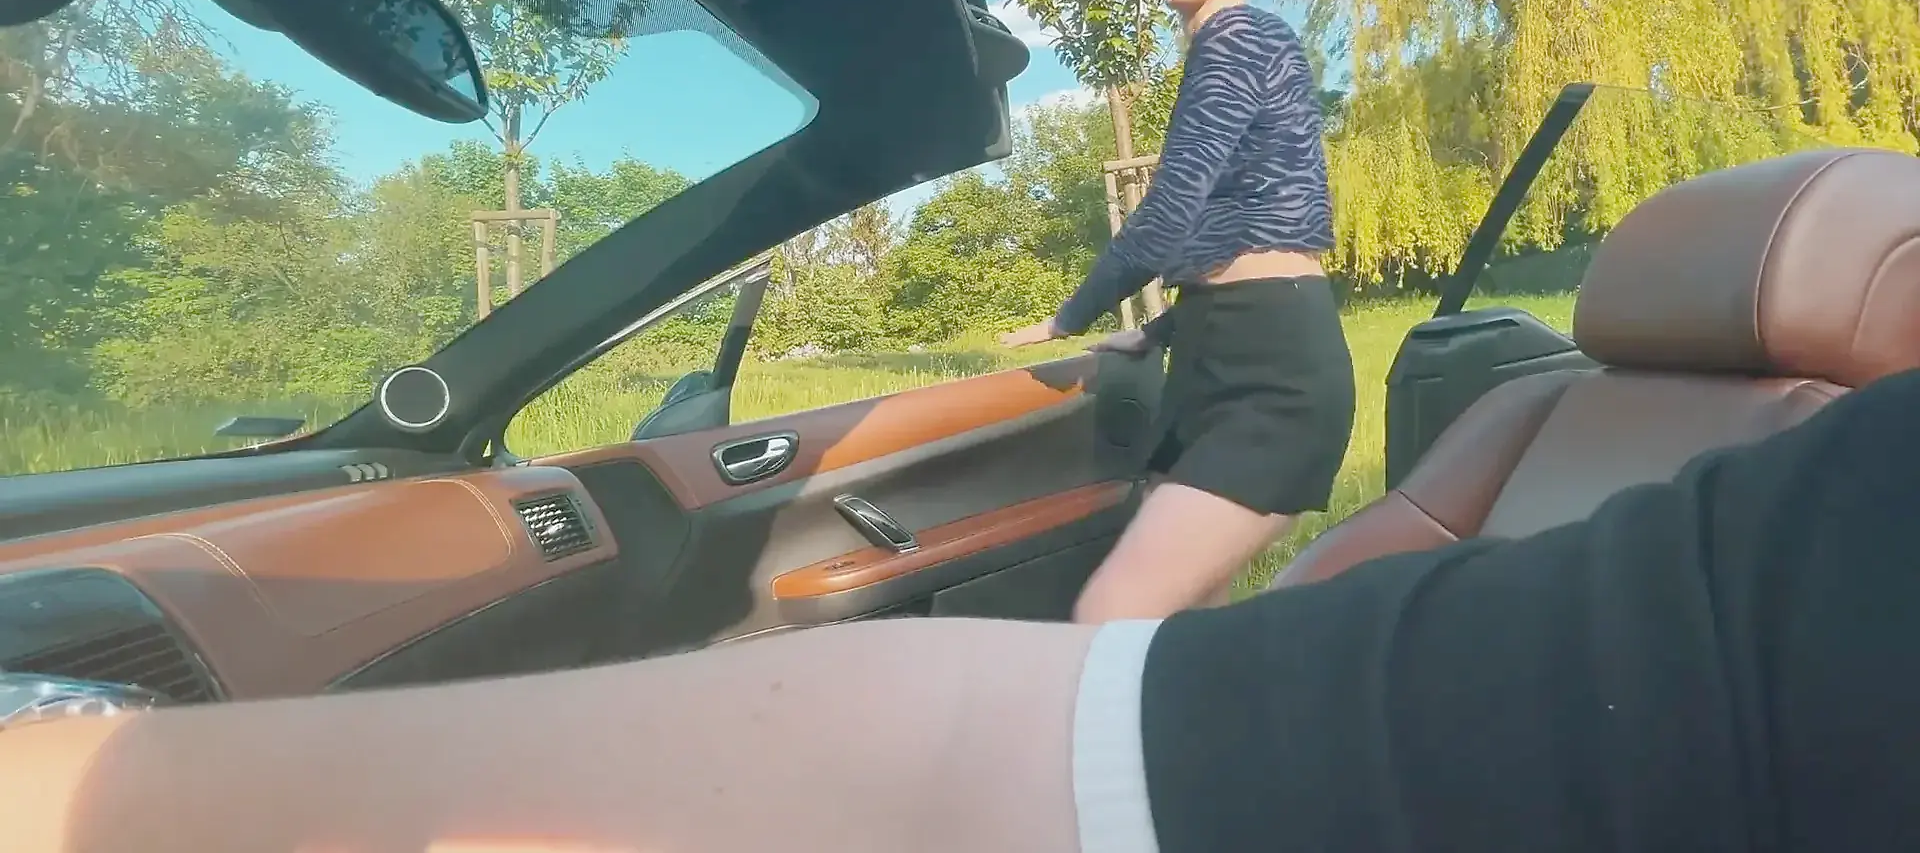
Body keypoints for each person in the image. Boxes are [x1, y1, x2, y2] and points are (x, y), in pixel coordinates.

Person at [8, 365, 1920, 853]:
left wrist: (85, 783)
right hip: (1217, 374)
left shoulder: (1249, 57)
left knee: (1110, 636)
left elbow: (979, 758)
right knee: (1116, 655)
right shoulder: (1825, 564)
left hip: (1265, 375)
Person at [998, 0, 1355, 623]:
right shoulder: (1240, 43)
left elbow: (1169, 213)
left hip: (1270, 378)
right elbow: (1241, 229)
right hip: (1218, 352)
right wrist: (1161, 331)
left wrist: (1070, 315)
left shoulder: (1238, 38)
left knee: (1113, 614)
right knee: (1190, 625)